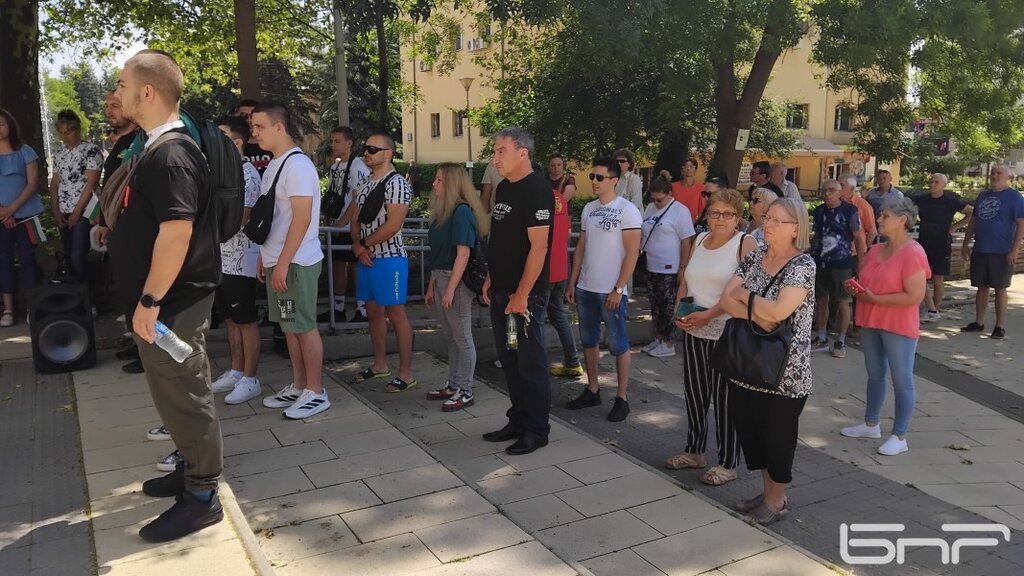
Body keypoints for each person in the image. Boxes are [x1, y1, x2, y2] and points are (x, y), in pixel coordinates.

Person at [110, 49, 223, 542]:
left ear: (147, 91)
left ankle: (202, 497)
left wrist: (150, 300)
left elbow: (176, 233)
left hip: (173, 305)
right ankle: (188, 470)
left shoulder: (172, 155)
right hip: (163, 305)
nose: (116, 93)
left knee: (186, 394)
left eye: (122, 85)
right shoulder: (157, 148)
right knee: (171, 394)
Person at [719, 197, 816, 525]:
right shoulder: (755, 255)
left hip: (783, 373)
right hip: (746, 365)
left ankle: (776, 501)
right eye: (767, 217)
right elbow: (726, 299)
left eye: (777, 220)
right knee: (754, 436)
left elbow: (778, 312)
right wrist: (758, 314)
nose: (767, 224)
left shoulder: (802, 266)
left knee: (777, 439)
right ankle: (766, 494)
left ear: (796, 228)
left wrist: (746, 297)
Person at [666, 188, 756, 485]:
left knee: (725, 399)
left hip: (727, 331)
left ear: (738, 218)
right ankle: (694, 451)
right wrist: (679, 310)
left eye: (728, 214)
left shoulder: (745, 243)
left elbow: (742, 292)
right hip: (694, 326)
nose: (720, 219)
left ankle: (728, 462)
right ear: (706, 215)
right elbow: (686, 280)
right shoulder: (700, 240)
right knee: (695, 393)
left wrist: (708, 315)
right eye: (715, 212)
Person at [251, 102, 329, 419]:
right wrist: (266, 257)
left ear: (279, 127)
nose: (254, 133)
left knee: (303, 327)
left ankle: (315, 391)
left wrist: (282, 263)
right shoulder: (276, 164)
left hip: (296, 263)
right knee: (289, 326)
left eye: (259, 126)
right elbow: (276, 218)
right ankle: (299, 385)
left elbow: (301, 218)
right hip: (279, 261)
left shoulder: (297, 166)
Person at [480, 126, 554, 455]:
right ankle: (519, 420)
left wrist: (522, 294)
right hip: (502, 293)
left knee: (530, 363)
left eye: (501, 151)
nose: (495, 158)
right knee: (510, 359)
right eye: (494, 151)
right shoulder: (505, 187)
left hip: (523, 300)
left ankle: (537, 430)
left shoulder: (537, 190)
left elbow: (539, 247)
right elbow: (501, 239)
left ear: (522, 153)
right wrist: (491, 277)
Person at [841, 198, 930, 456]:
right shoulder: (875, 250)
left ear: (902, 220)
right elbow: (868, 283)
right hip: (871, 321)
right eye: (880, 215)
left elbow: (915, 296)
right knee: (875, 373)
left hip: (897, 325)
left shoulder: (913, 252)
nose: (879, 220)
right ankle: (871, 424)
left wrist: (875, 299)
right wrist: (857, 290)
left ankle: (899, 436)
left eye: (885, 216)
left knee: (902, 379)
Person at [565, 157, 642, 422]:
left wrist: (618, 288)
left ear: (614, 181)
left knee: (619, 344)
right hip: (586, 287)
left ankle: (622, 397)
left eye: (600, 177)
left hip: (612, 290)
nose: (595, 182)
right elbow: (581, 247)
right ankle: (592, 388)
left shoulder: (627, 210)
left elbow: (632, 252)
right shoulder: (589, 208)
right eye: (592, 176)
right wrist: (573, 281)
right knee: (588, 340)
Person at [351, 133, 417, 391]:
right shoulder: (364, 183)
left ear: (388, 153)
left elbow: (393, 225)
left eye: (372, 149)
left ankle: (406, 374)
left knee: (396, 314)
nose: (366, 153)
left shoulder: (397, 184)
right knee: (373, 312)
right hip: (367, 258)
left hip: (390, 259)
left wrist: (364, 245)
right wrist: (358, 247)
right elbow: (355, 219)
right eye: (365, 148)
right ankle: (380, 365)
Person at [206, 116, 264, 405]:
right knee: (230, 319)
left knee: (245, 320)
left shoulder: (248, 175)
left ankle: (250, 379)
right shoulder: (221, 173)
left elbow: (241, 218)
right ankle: (236, 370)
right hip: (220, 259)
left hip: (242, 260)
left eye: (222, 136)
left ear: (237, 142)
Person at [424, 163, 490, 411]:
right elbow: (439, 254)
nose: (434, 184)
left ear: (451, 183)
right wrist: (433, 285)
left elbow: (463, 254)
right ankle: (454, 384)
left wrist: (450, 289)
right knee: (451, 337)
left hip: (456, 281)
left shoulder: (461, 212)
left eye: (439, 180)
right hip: (443, 277)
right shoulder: (444, 212)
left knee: (462, 337)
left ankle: (466, 389)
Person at [960, 164, 1024, 339]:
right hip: (981, 249)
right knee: (981, 287)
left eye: (999, 173)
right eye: (993, 173)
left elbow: (1021, 224)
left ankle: (999, 326)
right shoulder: (983, 196)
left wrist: (1014, 250)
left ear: (1007, 177)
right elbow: (973, 222)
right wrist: (965, 244)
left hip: (1002, 251)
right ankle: (979, 322)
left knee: (1000, 288)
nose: (995, 176)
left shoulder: (1014, 197)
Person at [640, 171, 694, 358]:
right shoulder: (650, 208)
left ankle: (669, 342)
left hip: (670, 266)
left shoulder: (680, 211)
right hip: (651, 264)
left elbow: (686, 241)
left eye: (660, 200)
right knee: (655, 304)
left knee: (669, 305)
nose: (656, 203)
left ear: (670, 194)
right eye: (653, 199)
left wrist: (683, 268)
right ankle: (659, 337)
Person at [320, 126, 370, 324]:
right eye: (332, 141)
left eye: (337, 141)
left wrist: (343, 222)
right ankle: (338, 308)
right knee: (338, 266)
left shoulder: (358, 167)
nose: (333, 145)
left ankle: (362, 309)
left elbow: (358, 198)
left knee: (356, 267)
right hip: (336, 225)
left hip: (351, 227)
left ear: (349, 143)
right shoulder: (335, 167)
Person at [810, 179, 865, 359]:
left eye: (831, 190)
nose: (827, 193)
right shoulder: (819, 211)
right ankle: (822, 337)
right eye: (824, 190)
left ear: (840, 192)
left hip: (842, 262)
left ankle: (840, 340)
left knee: (842, 301)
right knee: (821, 299)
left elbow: (858, 237)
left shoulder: (850, 210)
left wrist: (861, 262)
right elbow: (817, 234)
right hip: (821, 260)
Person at [0, 109, 44, 327]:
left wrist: (12, 210)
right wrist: (4, 213)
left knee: (28, 259)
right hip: (1, 218)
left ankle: (32, 306)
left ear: (10, 125)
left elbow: (32, 183)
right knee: (3, 261)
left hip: (27, 216)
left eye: (1, 124)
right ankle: (8, 309)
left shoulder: (25, 151)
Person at [50, 110, 102, 284]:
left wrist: (77, 211)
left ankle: (86, 291)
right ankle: (75, 291)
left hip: (86, 208)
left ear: (78, 129)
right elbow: (55, 183)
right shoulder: (59, 153)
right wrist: (56, 210)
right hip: (64, 207)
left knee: (77, 255)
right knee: (68, 254)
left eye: (68, 132)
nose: (65, 136)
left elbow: (92, 182)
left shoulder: (91, 150)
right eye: (61, 132)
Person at [913, 173, 972, 322]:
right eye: (931, 182)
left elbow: (971, 212)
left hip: (942, 242)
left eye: (936, 182)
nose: (932, 184)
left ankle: (935, 310)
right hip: (924, 241)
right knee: (920, 275)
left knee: (938, 276)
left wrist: (955, 226)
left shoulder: (951, 201)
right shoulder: (922, 199)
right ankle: (927, 306)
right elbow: (905, 206)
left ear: (944, 185)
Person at [546, 153, 583, 377]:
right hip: (560, 269)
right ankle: (573, 360)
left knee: (533, 318)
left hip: (545, 271)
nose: (556, 168)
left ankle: (531, 363)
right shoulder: (562, 210)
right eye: (553, 165)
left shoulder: (541, 204)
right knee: (557, 315)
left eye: (559, 164)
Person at [234, 98, 272, 175]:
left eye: (252, 116)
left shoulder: (272, 144)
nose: (249, 120)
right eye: (244, 116)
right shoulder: (234, 147)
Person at [672, 157, 704, 225]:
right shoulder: (673, 187)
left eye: (691, 166)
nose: (688, 169)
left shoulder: (701, 188)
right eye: (686, 166)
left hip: (692, 224)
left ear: (695, 170)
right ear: (681, 170)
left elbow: (702, 210)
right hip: (674, 223)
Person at [613, 148, 644, 214]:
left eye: (622, 161)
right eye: (616, 161)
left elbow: (636, 203)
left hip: (630, 217)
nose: (618, 163)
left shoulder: (634, 179)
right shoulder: (612, 179)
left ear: (629, 164)